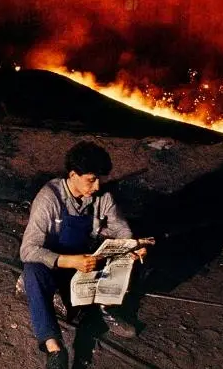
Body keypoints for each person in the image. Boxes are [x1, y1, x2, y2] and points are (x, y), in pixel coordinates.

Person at [19, 141, 150, 369]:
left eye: (100, 179)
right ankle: (55, 350)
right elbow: (28, 250)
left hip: (86, 263)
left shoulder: (102, 197)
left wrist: (132, 246)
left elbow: (121, 229)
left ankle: (107, 308)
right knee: (33, 271)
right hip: (56, 265)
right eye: (91, 179)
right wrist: (69, 261)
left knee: (130, 257)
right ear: (73, 175)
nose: (97, 186)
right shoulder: (49, 198)